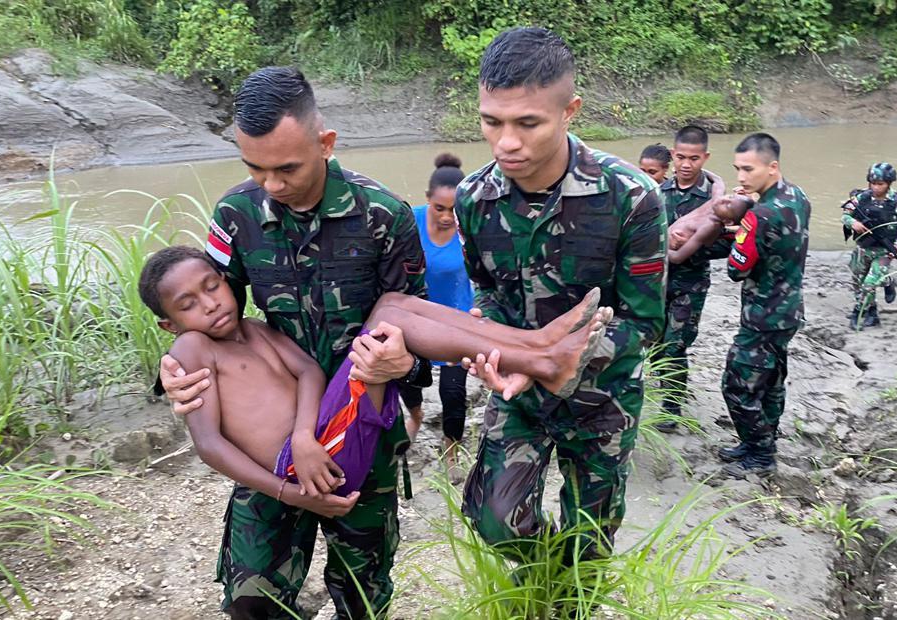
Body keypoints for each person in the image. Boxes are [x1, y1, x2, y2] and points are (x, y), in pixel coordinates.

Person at [157, 66, 434, 620]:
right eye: (255, 168)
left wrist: (406, 366)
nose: (272, 186)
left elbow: (415, 325)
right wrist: (170, 371)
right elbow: (210, 316)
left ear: (325, 143)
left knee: (362, 589)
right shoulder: (236, 215)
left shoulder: (384, 216)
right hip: (275, 437)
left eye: (287, 168)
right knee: (250, 596)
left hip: (361, 428)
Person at [141, 246, 610, 519]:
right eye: (187, 304)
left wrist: (304, 434)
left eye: (211, 286)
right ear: (170, 326)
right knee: (387, 315)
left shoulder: (257, 330)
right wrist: (291, 491)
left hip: (320, 441)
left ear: (227, 281)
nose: (208, 304)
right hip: (308, 469)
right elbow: (208, 446)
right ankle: (543, 358)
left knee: (389, 304)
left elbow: (308, 372)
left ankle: (538, 346)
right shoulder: (193, 349)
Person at [455, 27, 668, 560]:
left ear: (569, 110)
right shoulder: (474, 199)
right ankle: (541, 581)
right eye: (491, 121)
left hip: (603, 398)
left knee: (589, 544)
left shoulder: (631, 198)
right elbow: (487, 292)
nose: (506, 141)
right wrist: (493, 348)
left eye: (528, 123)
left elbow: (644, 321)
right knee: (494, 519)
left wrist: (560, 358)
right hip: (519, 395)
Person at [719, 132, 811, 478]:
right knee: (771, 381)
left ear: (772, 167)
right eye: (737, 169)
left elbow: (736, 270)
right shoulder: (797, 197)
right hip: (789, 309)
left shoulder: (760, 216)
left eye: (748, 169)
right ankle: (761, 440)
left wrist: (739, 229)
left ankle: (760, 453)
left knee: (736, 385)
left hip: (761, 315)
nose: (741, 178)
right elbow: (779, 242)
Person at [395, 153, 473, 478]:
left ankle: (451, 445)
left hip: (454, 320)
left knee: (454, 393)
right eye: (440, 208)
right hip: (414, 318)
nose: (447, 217)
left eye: (455, 209)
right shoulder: (409, 221)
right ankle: (414, 416)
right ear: (428, 200)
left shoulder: (470, 231)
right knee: (408, 377)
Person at [652, 125, 729, 432]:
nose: (686, 164)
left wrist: (693, 245)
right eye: (681, 157)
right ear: (673, 155)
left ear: (705, 157)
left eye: (694, 158)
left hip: (690, 283)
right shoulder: (659, 193)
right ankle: (668, 388)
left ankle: (671, 409)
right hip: (657, 283)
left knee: (675, 344)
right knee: (656, 344)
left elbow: (728, 243)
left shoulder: (714, 200)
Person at [841, 162, 897, 330]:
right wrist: (853, 223)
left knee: (869, 282)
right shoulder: (861, 198)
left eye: (880, 184)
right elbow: (845, 214)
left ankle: (858, 312)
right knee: (858, 280)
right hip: (863, 247)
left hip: (884, 251)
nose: (876, 187)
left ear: (889, 184)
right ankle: (873, 311)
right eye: (873, 183)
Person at [668, 194, 754, 264]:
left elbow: (677, 257)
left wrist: (659, 250)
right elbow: (718, 181)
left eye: (728, 205)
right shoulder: (715, 203)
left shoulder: (710, 226)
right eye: (730, 196)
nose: (723, 200)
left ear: (728, 222)